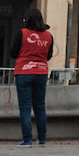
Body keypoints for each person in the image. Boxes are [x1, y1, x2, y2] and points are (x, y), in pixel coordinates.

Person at [11, 8, 53, 147]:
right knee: (40, 107)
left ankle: (27, 140)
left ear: (27, 20)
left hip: (24, 72)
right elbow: (49, 55)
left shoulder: (22, 33)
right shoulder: (48, 36)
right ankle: (42, 139)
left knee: (25, 107)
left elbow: (13, 52)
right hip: (41, 73)